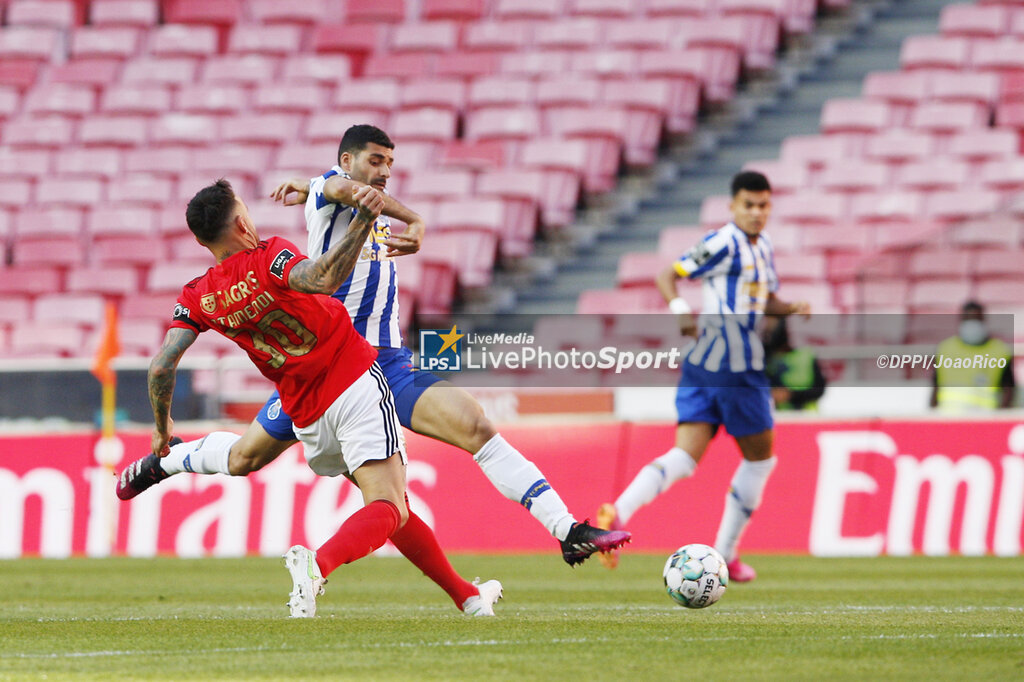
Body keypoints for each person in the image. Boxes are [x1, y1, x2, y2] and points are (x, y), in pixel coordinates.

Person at [117, 124, 630, 567]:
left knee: (471, 428)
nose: (384, 170)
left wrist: (407, 218)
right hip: (339, 367)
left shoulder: (364, 210)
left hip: (380, 363)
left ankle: (566, 532)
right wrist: (407, 216)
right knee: (253, 461)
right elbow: (336, 188)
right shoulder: (330, 193)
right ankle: (169, 461)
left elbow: (361, 196)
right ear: (346, 161)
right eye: (375, 160)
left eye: (390, 162)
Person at [142, 178, 502, 618]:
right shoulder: (269, 256)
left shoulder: (198, 295)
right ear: (241, 221)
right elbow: (323, 276)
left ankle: (467, 597)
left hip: (305, 411)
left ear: (200, 240)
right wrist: (364, 221)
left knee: (391, 507)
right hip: (353, 382)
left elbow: (161, 365)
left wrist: (163, 428)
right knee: (388, 506)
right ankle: (318, 566)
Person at [596, 171, 809, 580]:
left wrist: (792, 307)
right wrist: (681, 313)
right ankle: (726, 553)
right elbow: (666, 276)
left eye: (763, 205)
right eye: (748, 204)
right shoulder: (722, 242)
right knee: (761, 460)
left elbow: (765, 301)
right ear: (732, 206)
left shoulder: (762, 247)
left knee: (685, 456)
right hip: (736, 367)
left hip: (702, 364)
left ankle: (618, 511)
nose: (756, 212)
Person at [930, 300, 1015, 412]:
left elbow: (1008, 388)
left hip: (984, 418)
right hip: (949, 416)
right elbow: (935, 386)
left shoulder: (999, 351)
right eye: (968, 319)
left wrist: (1000, 417)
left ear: (983, 320)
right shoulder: (945, 349)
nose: (972, 323)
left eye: (976, 319)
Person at [762, 315, 827, 411]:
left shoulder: (806, 356)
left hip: (806, 418)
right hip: (778, 419)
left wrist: (790, 395)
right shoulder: (763, 358)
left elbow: (819, 390)